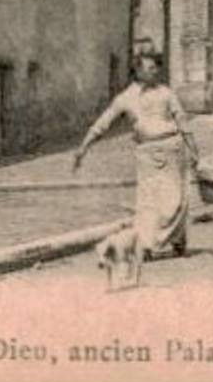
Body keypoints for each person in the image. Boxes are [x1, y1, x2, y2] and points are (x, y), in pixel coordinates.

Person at [73, 51, 198, 259]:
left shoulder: (166, 93)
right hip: (146, 153)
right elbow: (103, 124)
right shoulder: (126, 98)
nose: (155, 71)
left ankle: (178, 241)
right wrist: (83, 148)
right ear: (138, 71)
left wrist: (194, 149)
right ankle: (147, 246)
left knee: (176, 198)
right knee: (148, 201)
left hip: (172, 149)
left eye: (156, 67)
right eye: (149, 68)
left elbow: (182, 122)